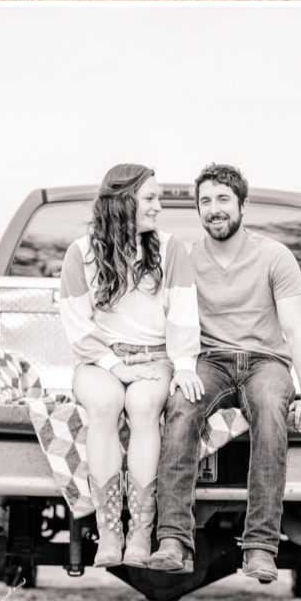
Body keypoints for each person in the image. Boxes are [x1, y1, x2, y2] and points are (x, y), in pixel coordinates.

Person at [150, 163, 301, 584]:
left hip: (266, 362)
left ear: (243, 205)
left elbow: (297, 328)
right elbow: (164, 321)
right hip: (209, 361)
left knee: (269, 404)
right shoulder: (185, 259)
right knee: (181, 403)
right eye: (205, 201)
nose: (214, 209)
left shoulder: (274, 256)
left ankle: (261, 547)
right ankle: (172, 539)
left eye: (223, 199)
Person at [58, 164, 201, 568]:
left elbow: (183, 315)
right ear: (124, 202)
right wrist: (115, 366)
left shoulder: (171, 250)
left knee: (142, 405)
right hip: (98, 358)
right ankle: (109, 534)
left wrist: (185, 364)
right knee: (103, 403)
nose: (159, 206)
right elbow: (78, 327)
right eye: (150, 198)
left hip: (156, 356)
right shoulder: (80, 253)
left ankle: (140, 530)